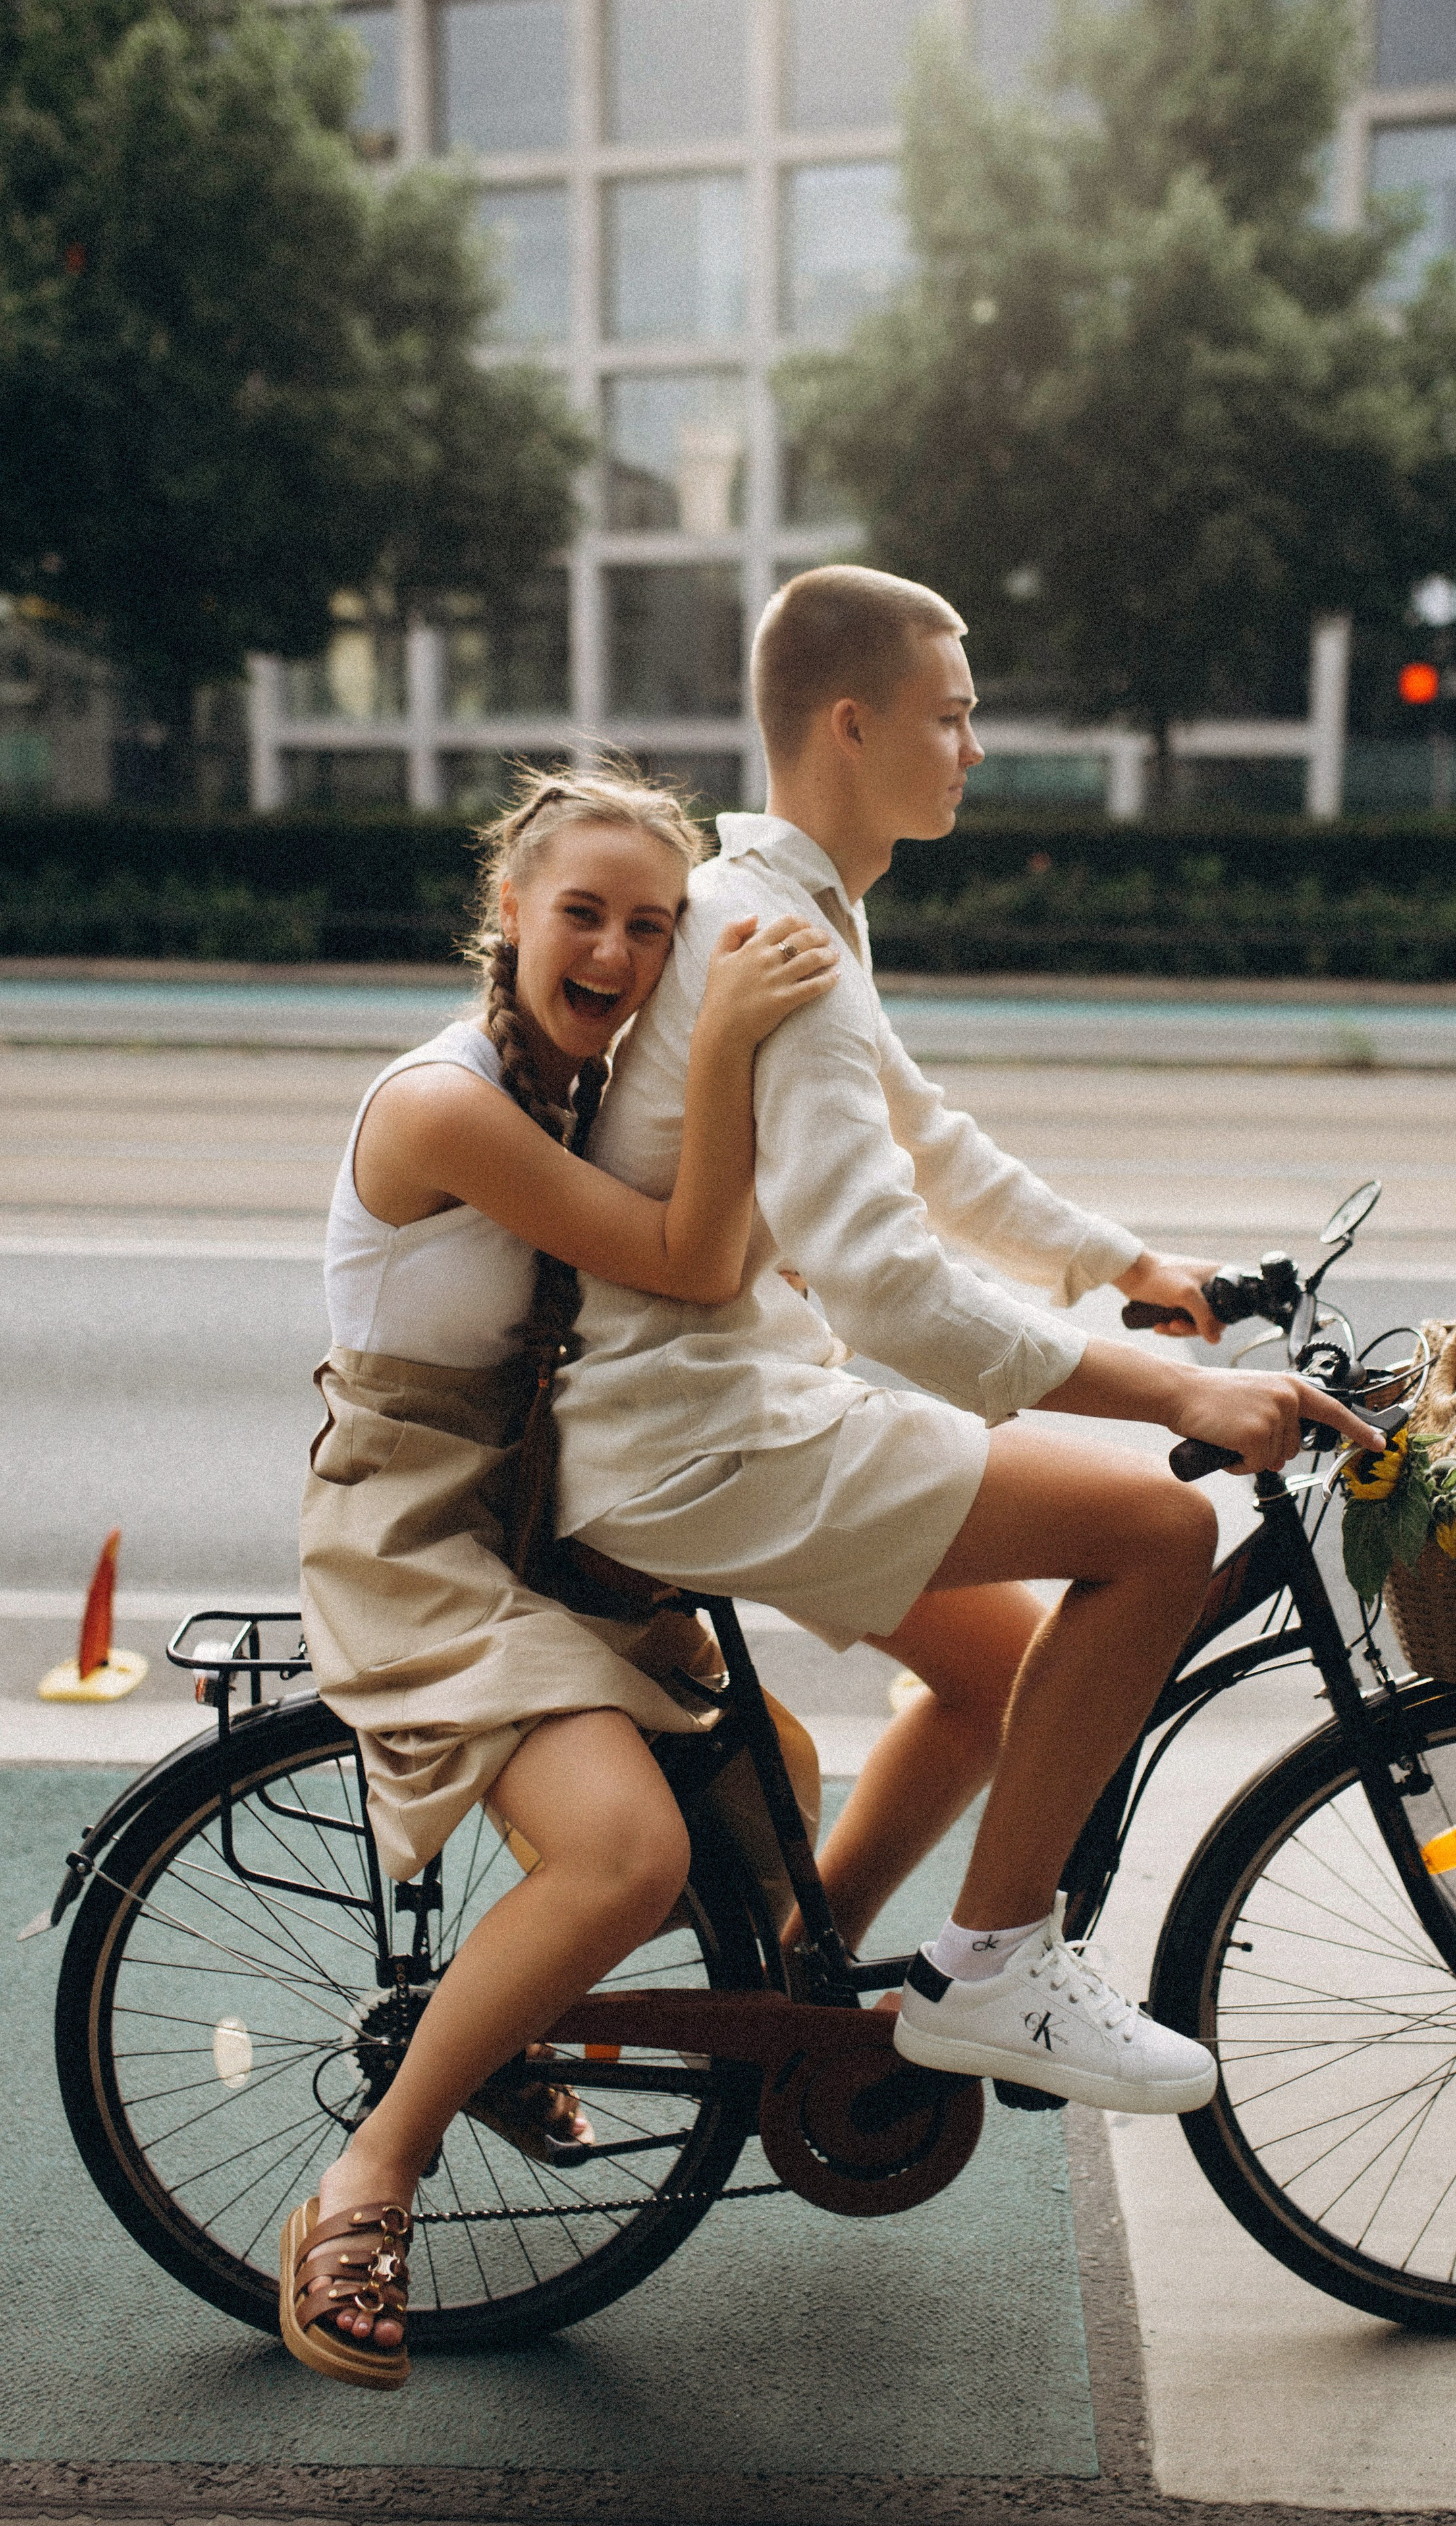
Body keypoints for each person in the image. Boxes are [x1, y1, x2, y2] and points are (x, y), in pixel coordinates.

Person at [556, 565, 1385, 2114]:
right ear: (850, 724)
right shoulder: (778, 941)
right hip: (700, 1430)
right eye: (953, 717)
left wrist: (1135, 1265)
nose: (975, 749)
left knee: (1003, 1668)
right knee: (1153, 1528)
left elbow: (926, 1142)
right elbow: (887, 1287)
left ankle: (799, 1990)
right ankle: (993, 1970)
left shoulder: (796, 909)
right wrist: (1177, 1388)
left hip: (705, 1407)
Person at [279, 766, 839, 2390]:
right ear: (507, 914)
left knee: (768, 1791)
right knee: (622, 1848)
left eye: (653, 927)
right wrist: (728, 1037)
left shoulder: (595, 1091)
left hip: (556, 1515)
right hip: (424, 1527)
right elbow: (689, 1254)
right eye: (581, 912)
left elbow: (724, 1255)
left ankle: (514, 2026)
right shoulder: (446, 1103)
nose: (613, 950)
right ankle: (370, 2176)